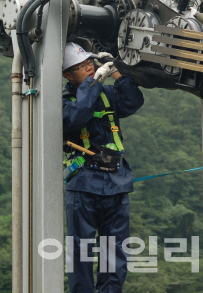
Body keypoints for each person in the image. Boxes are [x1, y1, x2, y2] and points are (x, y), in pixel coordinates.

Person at [62, 42, 144, 293]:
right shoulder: (64, 101)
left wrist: (116, 71)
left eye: (90, 63)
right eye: (81, 66)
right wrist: (93, 83)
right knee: (82, 249)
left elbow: (133, 101)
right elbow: (77, 117)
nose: (88, 68)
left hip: (115, 181)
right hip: (85, 182)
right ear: (68, 75)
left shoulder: (107, 94)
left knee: (115, 249)